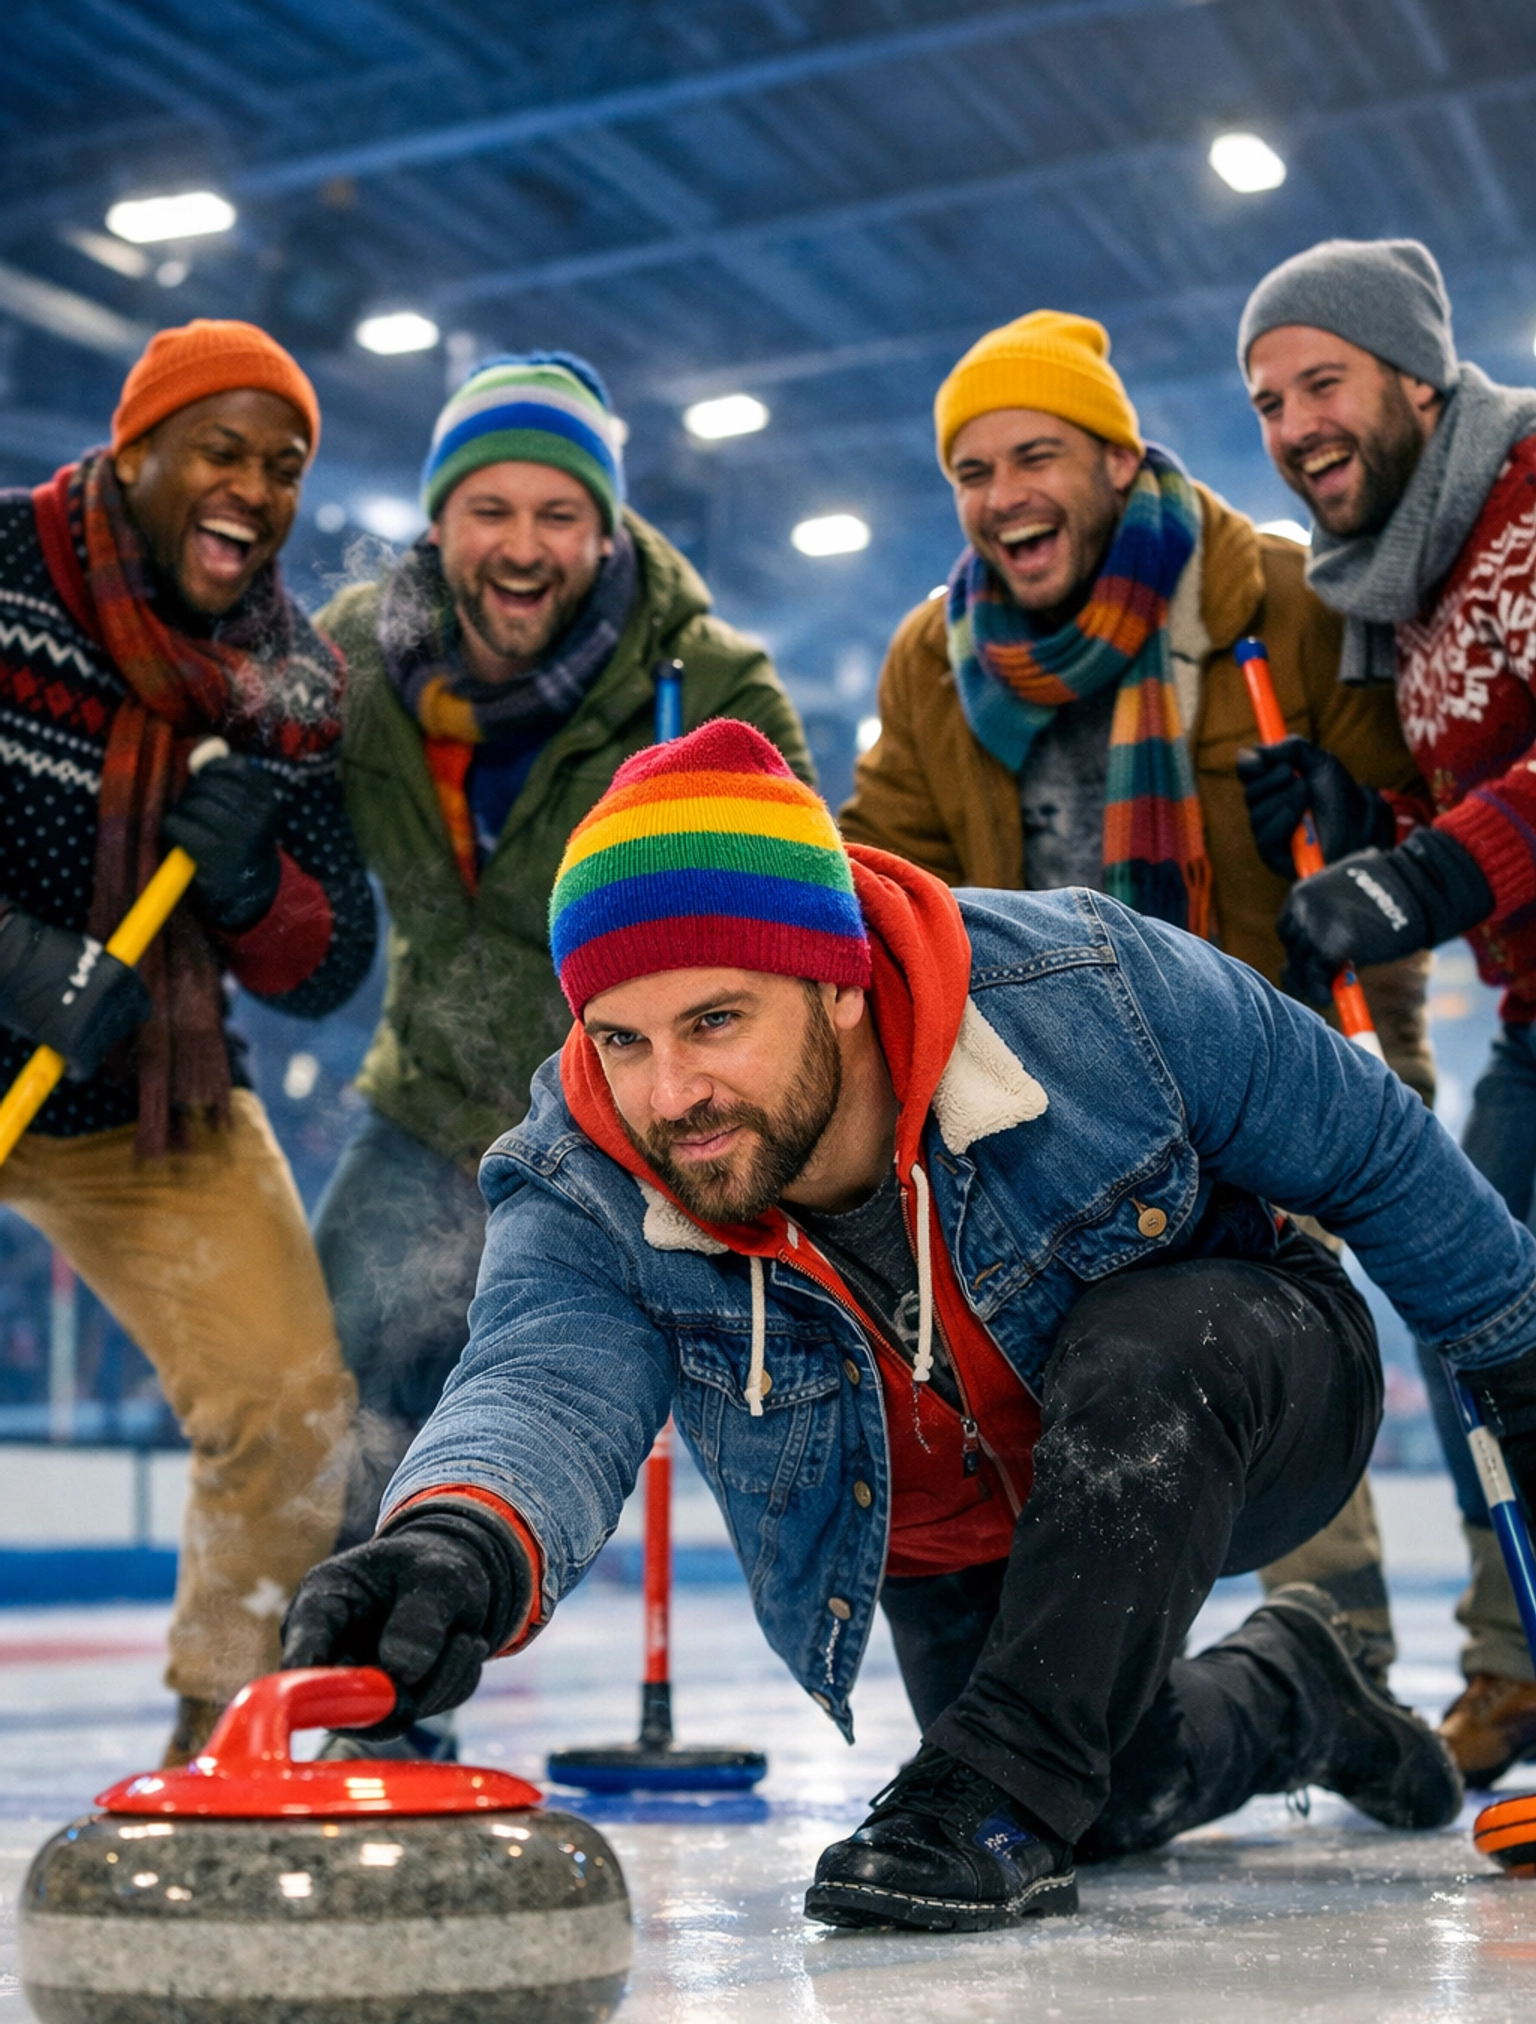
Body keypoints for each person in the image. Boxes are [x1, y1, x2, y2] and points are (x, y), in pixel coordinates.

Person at [285, 719, 1536, 1934]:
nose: (670, 1095)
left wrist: (1519, 1354)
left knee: (1036, 1714)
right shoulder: (586, 1170)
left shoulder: (1091, 990)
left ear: (834, 982)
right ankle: (1292, 1693)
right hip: (956, 1536)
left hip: (1239, 1399)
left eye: (715, 1021)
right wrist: (461, 1538)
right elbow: (542, 1382)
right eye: (622, 1039)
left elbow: (1371, 1144)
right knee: (1106, 1791)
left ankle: (1001, 1788)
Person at [838, 308, 1433, 1681]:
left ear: (1115, 460)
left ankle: (1339, 1654)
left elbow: (1417, 797)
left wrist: (1356, 813)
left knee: (1287, 1318)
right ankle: (1102, 1667)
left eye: (1034, 456)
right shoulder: (935, 662)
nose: (1002, 498)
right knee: (1075, 1358)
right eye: (972, 473)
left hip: (1272, 1030)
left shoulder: (1269, 598)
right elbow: (890, 867)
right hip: (1059, 1069)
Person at [310, 353, 813, 1713]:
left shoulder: (704, 679)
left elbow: (808, 912)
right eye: (490, 510)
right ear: (440, 525)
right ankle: (346, 1701)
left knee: (579, 1380)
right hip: (425, 1097)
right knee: (336, 1391)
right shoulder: (355, 660)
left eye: (557, 512)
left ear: (604, 529)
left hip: (618, 1115)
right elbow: (278, 837)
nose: (523, 546)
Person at [0, 319, 375, 1762]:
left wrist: (244, 884)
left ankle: (224, 1744)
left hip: (146, 1096)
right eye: (221, 449)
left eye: (282, 466)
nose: (255, 488)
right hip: (31, 1025)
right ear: (135, 445)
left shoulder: (289, 682)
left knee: (292, 1409)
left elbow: (328, 960)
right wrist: (22, 961)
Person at [1238, 237, 1536, 1786]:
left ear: (1416, 377)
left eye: (1322, 382)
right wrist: (1372, 807)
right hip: (1534, 1020)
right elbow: (1461, 780)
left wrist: (1427, 874)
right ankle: (1519, 1664)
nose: (1291, 425)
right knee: (1496, 1337)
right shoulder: (1398, 578)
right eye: (1269, 400)